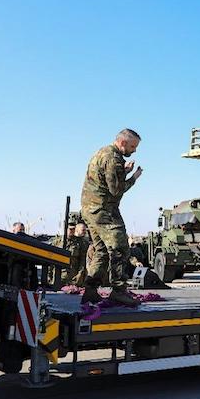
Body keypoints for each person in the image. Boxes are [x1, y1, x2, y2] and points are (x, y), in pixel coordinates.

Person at [80, 129, 143, 305]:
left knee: (101, 251)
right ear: (122, 143)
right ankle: (119, 291)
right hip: (104, 211)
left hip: (90, 210)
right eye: (132, 146)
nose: (134, 150)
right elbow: (116, 190)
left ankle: (90, 290)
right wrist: (133, 177)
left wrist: (122, 172)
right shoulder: (113, 158)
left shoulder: (102, 152)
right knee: (121, 249)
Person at [66, 222, 90, 286]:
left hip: (73, 276)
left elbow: (83, 261)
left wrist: (80, 275)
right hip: (59, 276)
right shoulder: (58, 241)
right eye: (70, 229)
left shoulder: (80, 243)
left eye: (74, 229)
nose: (72, 231)